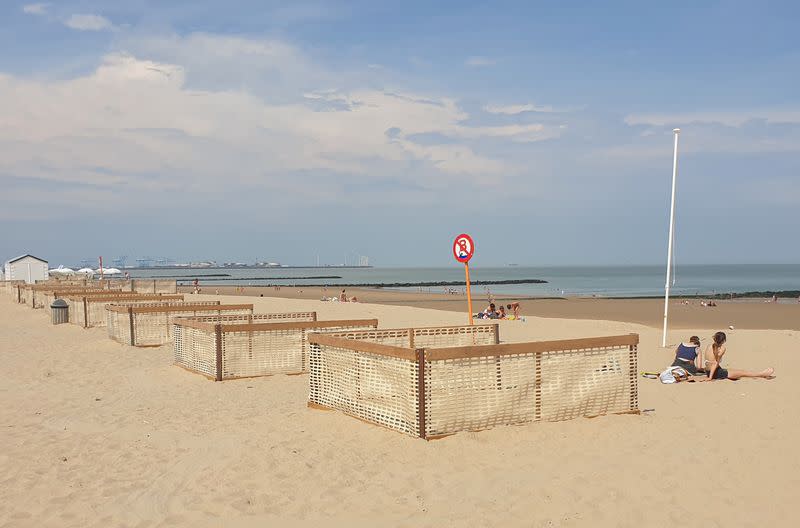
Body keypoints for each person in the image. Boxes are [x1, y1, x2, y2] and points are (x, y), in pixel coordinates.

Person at [703, 331, 774, 381]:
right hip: (715, 372)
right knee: (743, 372)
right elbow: (715, 363)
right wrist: (710, 377)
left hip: (709, 371)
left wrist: (708, 373)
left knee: (735, 371)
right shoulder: (722, 349)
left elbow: (708, 362)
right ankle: (762, 374)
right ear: (724, 341)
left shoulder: (709, 346)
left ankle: (760, 374)